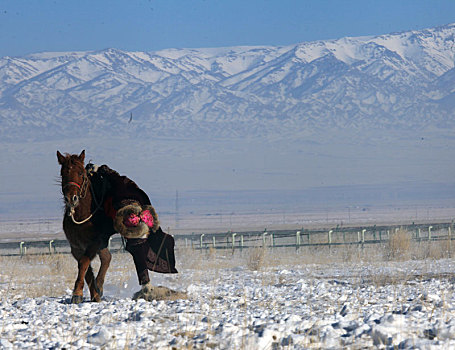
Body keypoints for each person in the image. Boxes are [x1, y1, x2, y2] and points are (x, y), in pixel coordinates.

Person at [86, 163, 177, 299]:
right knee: (136, 246)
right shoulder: (120, 188)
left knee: (137, 247)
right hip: (116, 209)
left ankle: (146, 286)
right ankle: (146, 286)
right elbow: (115, 177)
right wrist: (100, 169)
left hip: (126, 216)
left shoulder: (135, 201)